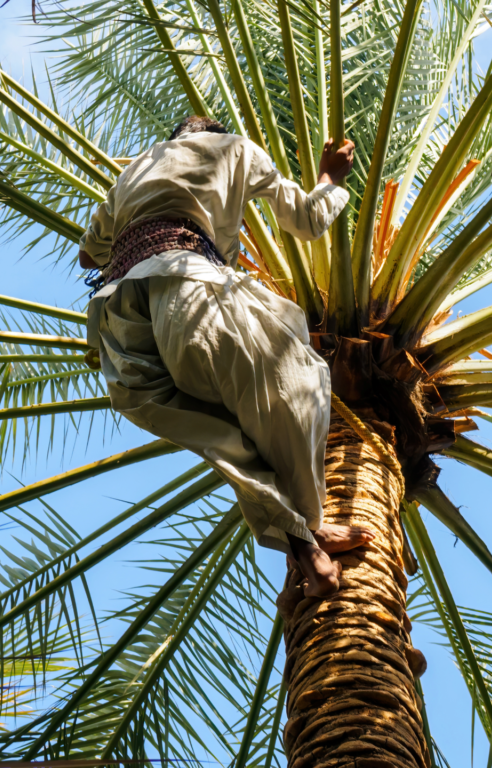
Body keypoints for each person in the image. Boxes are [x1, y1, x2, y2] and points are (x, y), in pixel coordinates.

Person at [80, 115, 370, 597]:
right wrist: (330, 180)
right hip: (188, 289)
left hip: (121, 324)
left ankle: (302, 542)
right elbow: (305, 220)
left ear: (174, 136)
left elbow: (89, 257)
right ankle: (310, 532)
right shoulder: (233, 147)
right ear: (211, 131)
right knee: (299, 383)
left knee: (224, 439)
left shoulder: (134, 169)